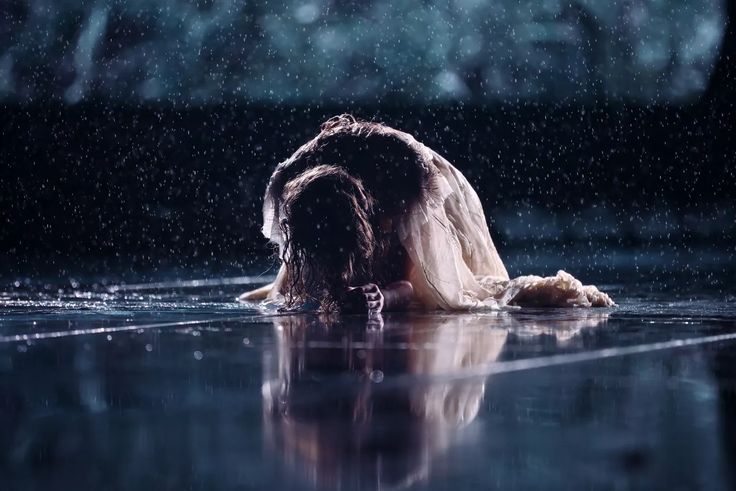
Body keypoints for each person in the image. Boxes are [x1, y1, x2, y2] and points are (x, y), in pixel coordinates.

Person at [239, 114, 614, 312]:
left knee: (442, 292)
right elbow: (300, 267)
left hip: (406, 168)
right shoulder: (288, 188)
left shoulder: (402, 191)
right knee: (306, 285)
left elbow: (409, 285)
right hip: (336, 185)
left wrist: (382, 297)